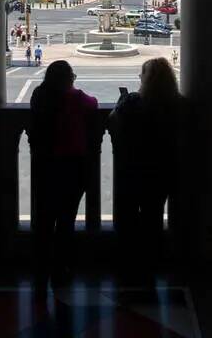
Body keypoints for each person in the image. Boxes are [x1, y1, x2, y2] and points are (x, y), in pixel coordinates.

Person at [108, 56, 182, 285]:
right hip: (161, 172)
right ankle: (151, 264)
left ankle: (128, 265)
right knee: (153, 218)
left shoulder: (132, 102)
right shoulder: (177, 105)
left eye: (142, 74)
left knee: (127, 218)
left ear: (146, 79)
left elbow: (113, 123)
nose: (139, 77)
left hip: (132, 169)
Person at [29, 60, 98, 289]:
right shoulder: (75, 97)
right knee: (66, 220)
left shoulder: (39, 95)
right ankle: (60, 269)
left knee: (44, 220)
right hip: (71, 165)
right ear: (68, 78)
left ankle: (40, 269)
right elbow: (93, 104)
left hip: (45, 165)